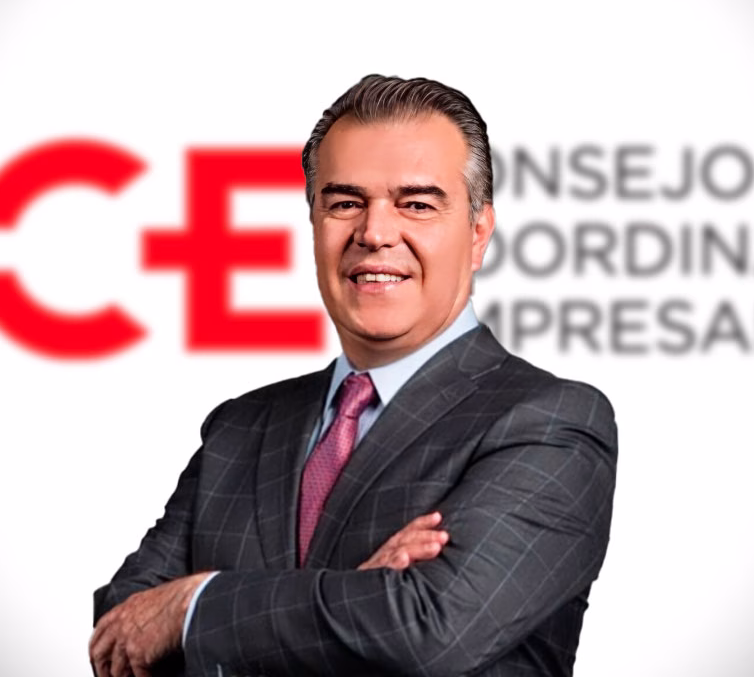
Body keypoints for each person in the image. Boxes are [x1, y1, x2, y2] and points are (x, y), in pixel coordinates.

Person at [89, 74, 618, 677]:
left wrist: (193, 606)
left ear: (478, 234)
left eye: (417, 204)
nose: (374, 233)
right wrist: (353, 599)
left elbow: (427, 632)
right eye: (345, 203)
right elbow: (121, 631)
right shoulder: (239, 427)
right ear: (314, 223)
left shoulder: (550, 425)